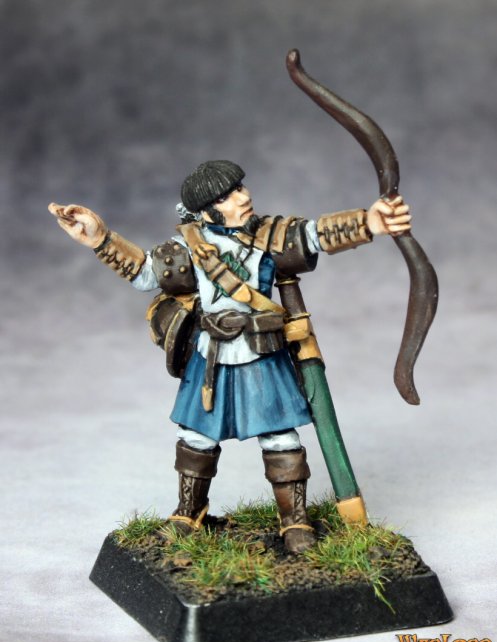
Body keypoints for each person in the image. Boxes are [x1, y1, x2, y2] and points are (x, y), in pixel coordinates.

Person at [49, 160, 411, 553]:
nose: (243, 197)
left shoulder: (270, 236)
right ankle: (189, 512)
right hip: (212, 356)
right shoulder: (189, 247)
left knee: (280, 437)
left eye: (240, 188)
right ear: (207, 212)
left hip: (263, 354)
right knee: (196, 436)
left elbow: (315, 234)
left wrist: (369, 222)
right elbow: (146, 273)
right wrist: (100, 239)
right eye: (228, 196)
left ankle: (294, 520)